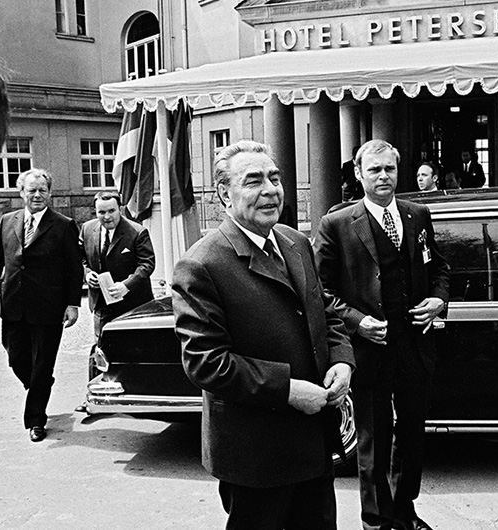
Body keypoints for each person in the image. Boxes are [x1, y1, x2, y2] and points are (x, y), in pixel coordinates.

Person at [172, 140, 354, 529]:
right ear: (224, 193)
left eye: (274, 177)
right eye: (253, 180)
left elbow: (324, 313)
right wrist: (287, 389)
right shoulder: (201, 263)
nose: (270, 189)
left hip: (314, 443)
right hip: (255, 456)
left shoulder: (295, 242)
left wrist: (341, 359)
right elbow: (205, 363)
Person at [314, 139, 449, 530]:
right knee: (372, 441)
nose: (383, 177)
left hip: (413, 345)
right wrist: (357, 321)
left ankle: (404, 512)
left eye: (389, 169)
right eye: (374, 170)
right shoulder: (337, 223)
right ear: (359, 175)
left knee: (411, 437)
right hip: (369, 349)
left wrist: (438, 300)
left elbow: (439, 267)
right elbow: (320, 292)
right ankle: (376, 521)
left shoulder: (417, 215)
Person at [0, 168, 83, 442]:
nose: (37, 195)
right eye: (32, 190)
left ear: (50, 193)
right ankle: (40, 386)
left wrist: (72, 304)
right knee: (16, 358)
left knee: (42, 364)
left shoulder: (63, 224)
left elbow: (73, 269)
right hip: (14, 304)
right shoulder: (7, 221)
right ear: (21, 193)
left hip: (48, 308)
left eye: (42, 190)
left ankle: (36, 419)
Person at [80, 190, 155, 342]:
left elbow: (147, 263)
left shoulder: (137, 232)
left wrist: (126, 285)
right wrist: (87, 274)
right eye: (101, 212)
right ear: (95, 211)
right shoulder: (87, 229)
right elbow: (79, 258)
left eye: (111, 211)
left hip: (132, 304)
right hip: (101, 303)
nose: (107, 217)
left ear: (119, 209)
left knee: (133, 347)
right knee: (102, 348)